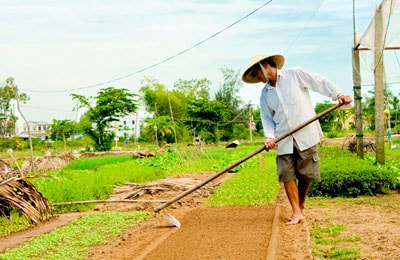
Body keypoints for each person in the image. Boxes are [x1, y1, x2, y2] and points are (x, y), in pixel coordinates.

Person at [241, 54, 352, 225]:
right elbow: (267, 119)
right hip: (283, 137)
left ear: (265, 66)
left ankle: (300, 207)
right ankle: (296, 211)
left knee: (305, 174)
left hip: (305, 133)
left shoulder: (295, 75)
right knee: (287, 174)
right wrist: (269, 137)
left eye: (257, 74)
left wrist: (338, 94)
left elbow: (319, 82)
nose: (258, 78)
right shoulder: (265, 95)